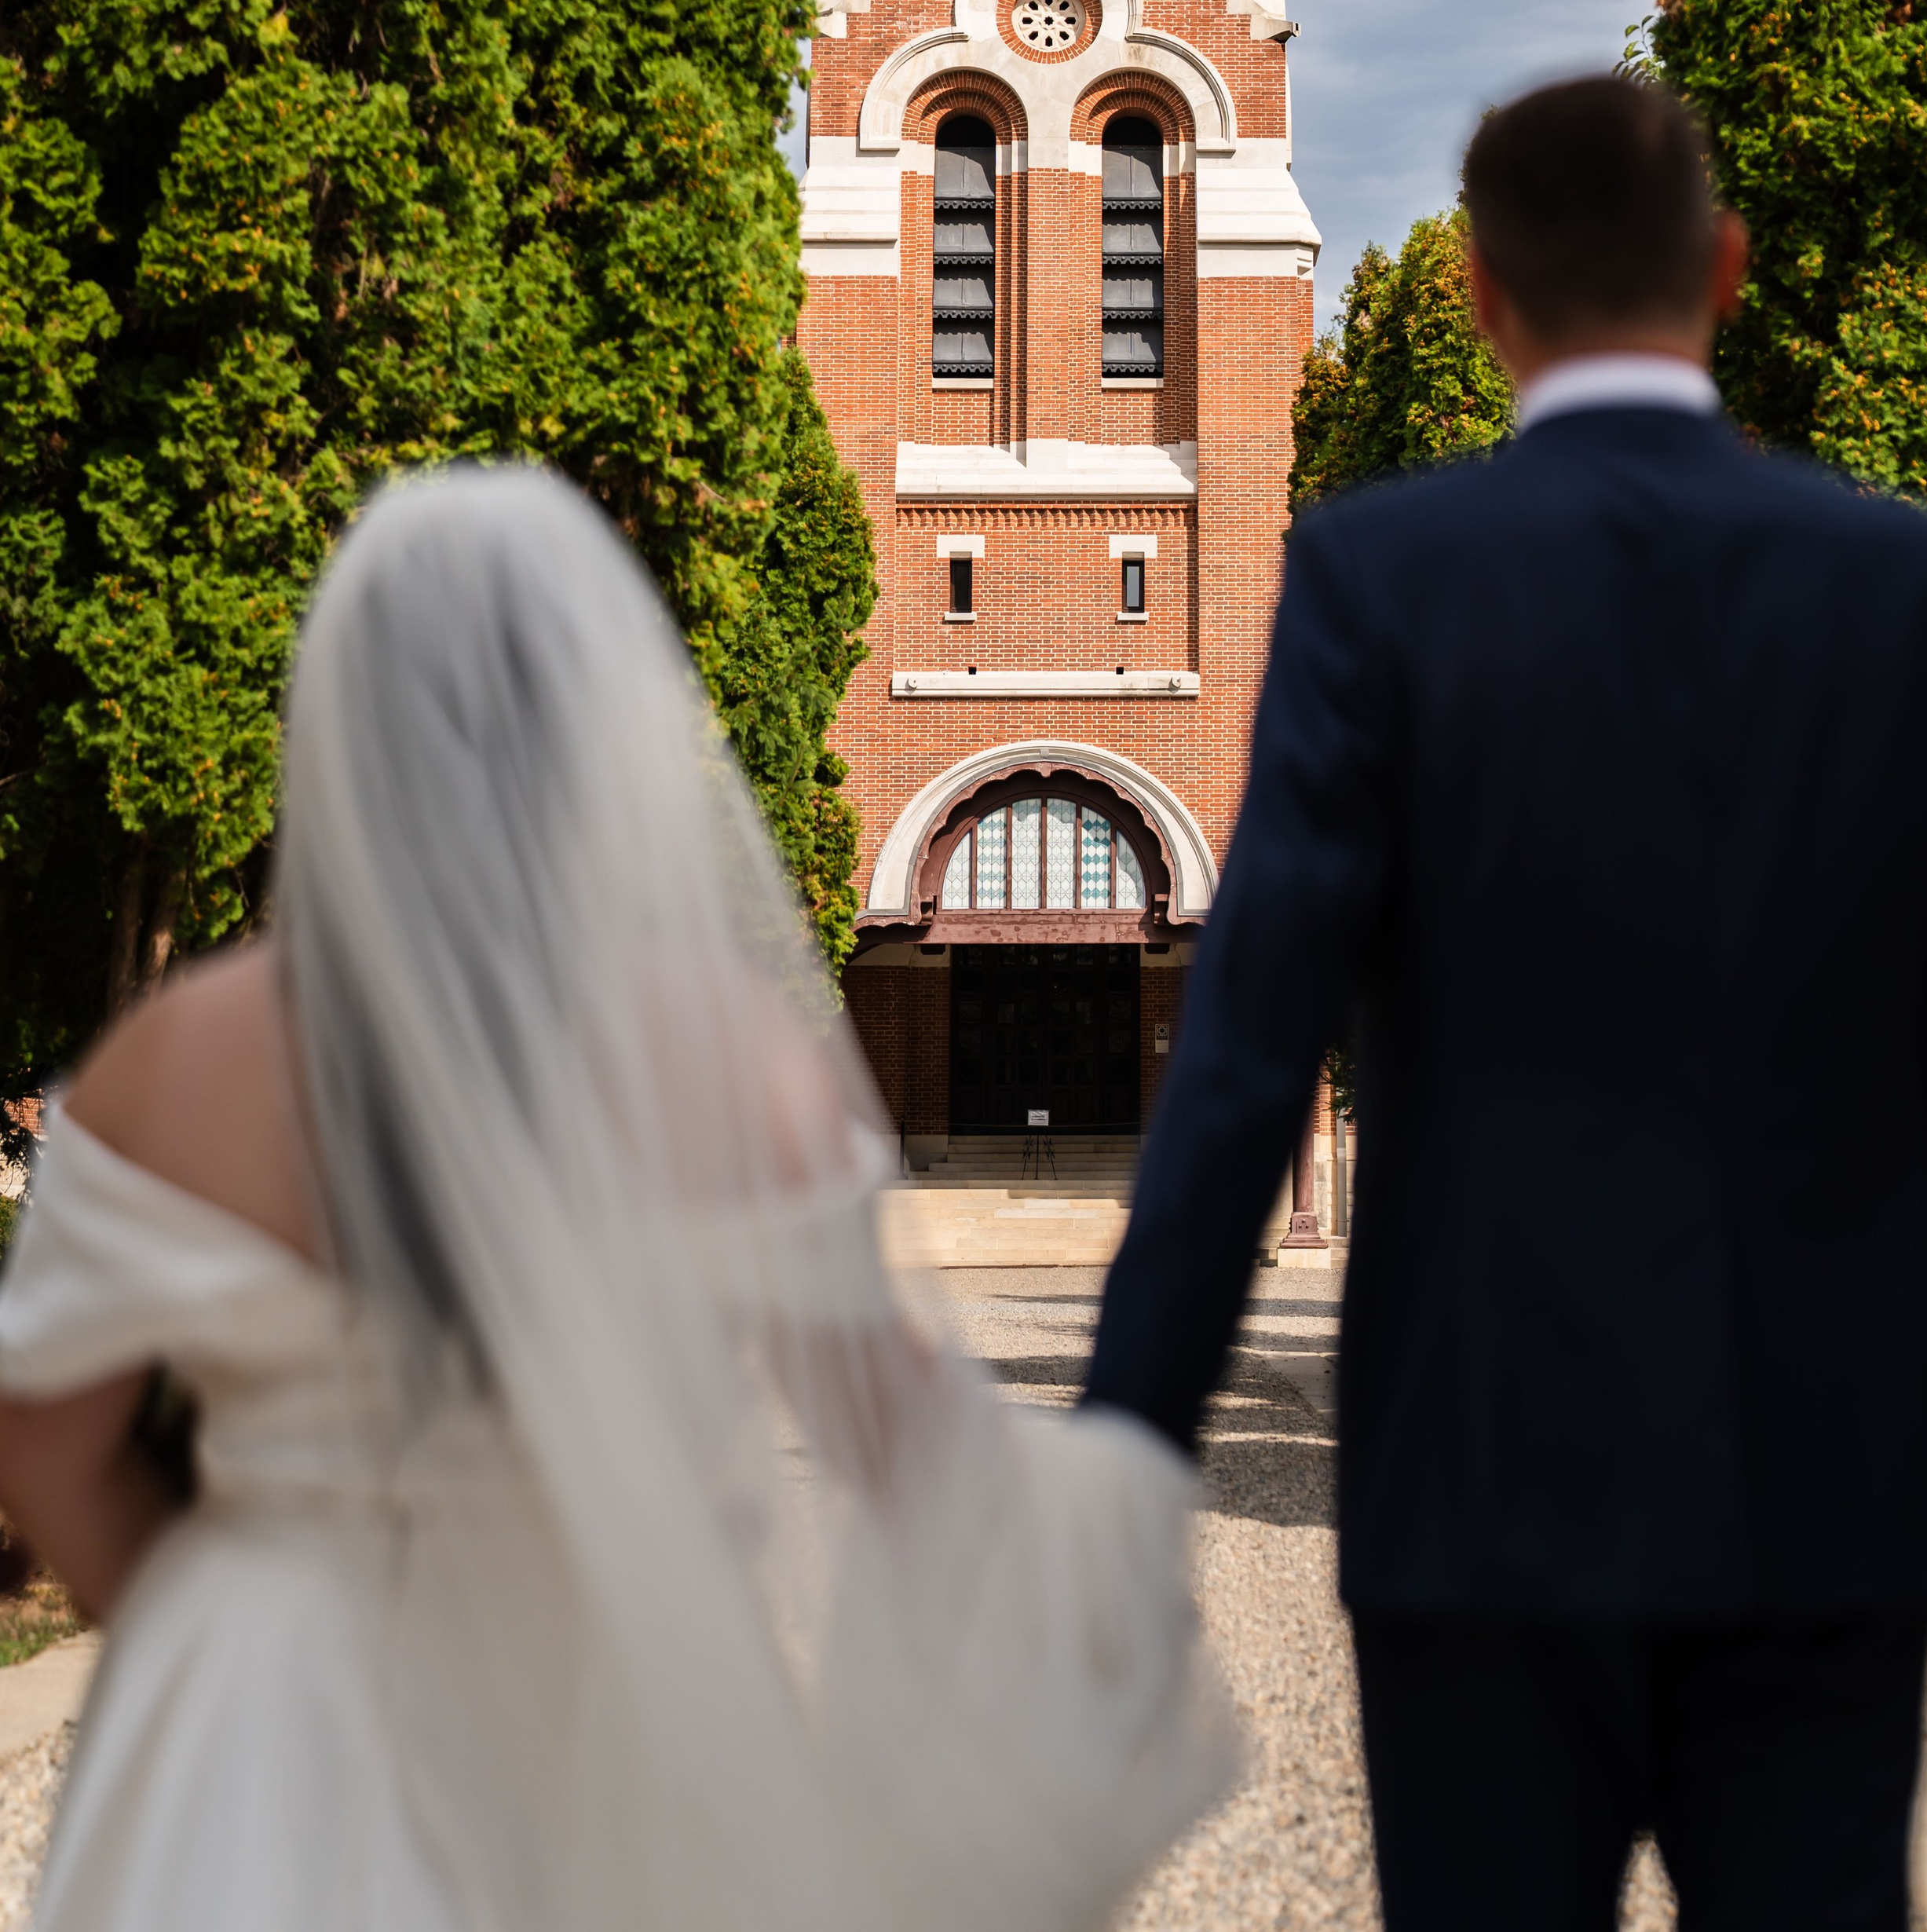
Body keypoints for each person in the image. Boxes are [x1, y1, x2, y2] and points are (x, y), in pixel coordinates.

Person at [0, 465, 1234, 1932]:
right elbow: (910, 1453)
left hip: (251, 1721)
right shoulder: (729, 1059)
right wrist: (1119, 1502)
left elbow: (43, 1440)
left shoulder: (174, 1058)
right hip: (611, 1698)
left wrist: (210, 1626)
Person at [1085, 73, 1927, 1932]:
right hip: (1832, 1471)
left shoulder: (1378, 577)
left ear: (1481, 294)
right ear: (1724, 268)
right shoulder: (1917, 585)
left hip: (1483, 1460)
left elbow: (1248, 1047)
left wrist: (1125, 1454)